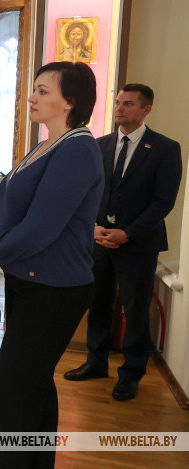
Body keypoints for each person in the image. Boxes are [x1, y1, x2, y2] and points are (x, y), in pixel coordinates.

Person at [0, 62, 103, 468]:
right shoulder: (52, 144)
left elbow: (39, 229)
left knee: (12, 386)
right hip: (36, 282)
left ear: (71, 101)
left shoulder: (79, 148)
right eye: (34, 89)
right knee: (32, 384)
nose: (32, 97)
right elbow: (11, 214)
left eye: (43, 91)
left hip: (55, 287)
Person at [63, 84, 182, 401]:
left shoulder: (165, 149)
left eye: (128, 104)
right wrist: (93, 228)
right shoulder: (99, 145)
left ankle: (130, 375)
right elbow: (85, 193)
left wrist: (127, 233)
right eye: (117, 102)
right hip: (99, 240)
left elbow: (163, 202)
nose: (120, 108)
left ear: (146, 109)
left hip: (138, 245)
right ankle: (96, 363)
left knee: (135, 311)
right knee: (98, 305)